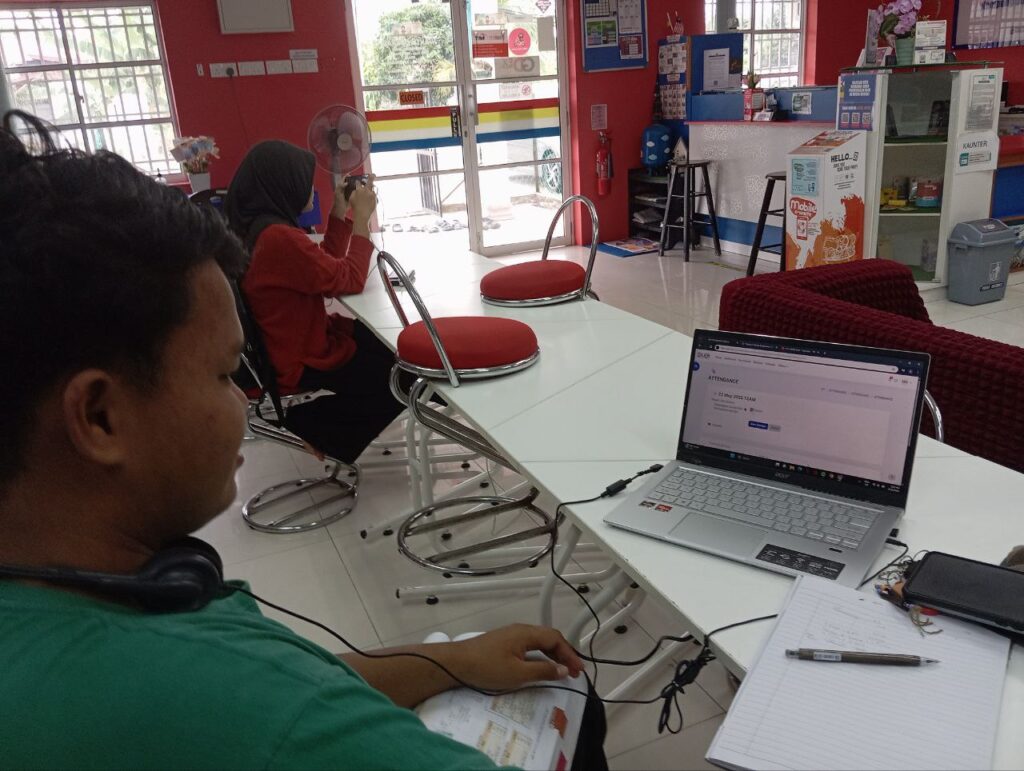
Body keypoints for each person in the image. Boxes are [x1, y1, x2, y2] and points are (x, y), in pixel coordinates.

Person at [0, 111, 606, 769]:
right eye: (223, 374)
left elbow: (298, 679)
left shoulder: (61, 613)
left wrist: (449, 659)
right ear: (100, 418)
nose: (242, 401)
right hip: (316, 374)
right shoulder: (242, 706)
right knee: (581, 706)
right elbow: (275, 701)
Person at [225, 140, 401, 463]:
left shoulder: (257, 230)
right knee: (399, 378)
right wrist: (362, 220)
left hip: (282, 346)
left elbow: (321, 270)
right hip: (301, 357)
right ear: (283, 183)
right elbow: (349, 279)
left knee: (390, 347)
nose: (311, 189)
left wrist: (338, 212)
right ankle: (313, 426)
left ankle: (324, 427)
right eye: (304, 181)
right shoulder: (278, 238)